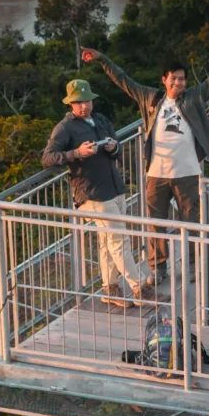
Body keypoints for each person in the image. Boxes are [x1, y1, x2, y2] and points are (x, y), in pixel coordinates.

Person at [80, 35, 209, 282]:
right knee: (156, 224)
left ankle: (194, 266)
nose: (178, 83)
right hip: (157, 174)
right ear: (164, 80)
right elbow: (123, 80)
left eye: (182, 79)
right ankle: (158, 267)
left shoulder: (194, 97)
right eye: (174, 78)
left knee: (192, 224)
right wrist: (101, 59)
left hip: (187, 173)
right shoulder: (150, 98)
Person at [42, 76, 144, 308]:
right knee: (119, 239)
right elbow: (47, 158)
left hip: (114, 187)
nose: (84, 106)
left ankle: (110, 289)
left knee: (108, 241)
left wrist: (112, 146)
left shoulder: (100, 120)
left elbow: (118, 149)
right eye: (79, 102)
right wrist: (76, 153)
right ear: (70, 103)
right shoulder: (65, 127)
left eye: (87, 100)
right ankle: (139, 288)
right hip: (92, 193)